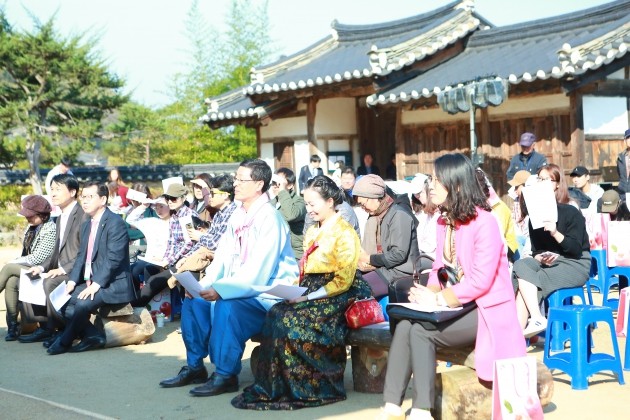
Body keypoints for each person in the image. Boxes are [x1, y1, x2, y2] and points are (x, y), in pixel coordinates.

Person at [378, 153, 526, 420]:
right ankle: (391, 405)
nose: (430, 186)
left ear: (456, 185)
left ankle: (422, 408)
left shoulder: (485, 223)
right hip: (457, 304)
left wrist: (437, 300)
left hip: (486, 309)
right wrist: (428, 293)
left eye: (436, 180)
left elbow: (480, 281)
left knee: (421, 331)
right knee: (405, 323)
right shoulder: (443, 221)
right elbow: (438, 270)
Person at [158, 159, 299, 397]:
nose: (235, 184)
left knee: (227, 305)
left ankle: (225, 374)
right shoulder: (237, 215)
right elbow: (222, 259)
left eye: (241, 180)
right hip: (238, 289)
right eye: (236, 179)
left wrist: (222, 290)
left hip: (267, 295)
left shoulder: (270, 218)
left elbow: (259, 272)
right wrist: (204, 286)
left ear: (259, 184)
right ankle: (195, 367)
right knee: (195, 300)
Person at [231, 175, 371, 410]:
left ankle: (311, 385)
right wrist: (296, 291)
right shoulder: (313, 230)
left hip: (338, 293)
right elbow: (305, 268)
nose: (309, 209)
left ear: (329, 201)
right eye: (306, 204)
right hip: (311, 288)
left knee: (291, 318)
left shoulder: (345, 232)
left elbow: (344, 280)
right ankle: (280, 383)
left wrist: (306, 297)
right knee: (276, 311)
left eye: (313, 204)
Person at [46, 182, 137, 355]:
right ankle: (92, 335)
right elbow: (81, 256)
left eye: (90, 197)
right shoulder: (87, 223)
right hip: (90, 281)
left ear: (103, 199)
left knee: (81, 304)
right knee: (60, 300)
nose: (85, 201)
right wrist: (72, 281)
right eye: (83, 197)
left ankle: (65, 341)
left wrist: (96, 284)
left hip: (112, 284)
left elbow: (114, 259)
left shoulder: (115, 223)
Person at [513, 175, 591, 338]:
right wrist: (540, 257)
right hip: (549, 263)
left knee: (525, 282)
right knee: (521, 265)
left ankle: (523, 332)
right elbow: (536, 251)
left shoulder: (570, 212)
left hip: (575, 263)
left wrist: (555, 233)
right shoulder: (532, 221)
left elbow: (576, 249)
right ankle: (534, 320)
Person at [19, 174, 87, 345]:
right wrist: (41, 267)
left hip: (78, 270)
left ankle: (64, 329)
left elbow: (84, 253)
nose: (53, 194)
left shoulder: (82, 215)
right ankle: (45, 327)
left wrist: (63, 269)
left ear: (72, 192)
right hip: (60, 268)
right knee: (30, 275)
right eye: (52, 189)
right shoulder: (59, 218)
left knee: (50, 282)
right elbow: (54, 252)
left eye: (58, 189)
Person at [352, 174, 419, 298]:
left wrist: (369, 259)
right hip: (388, 270)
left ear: (373, 196)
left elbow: (398, 255)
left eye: (363, 204)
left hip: (401, 273)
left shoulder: (398, 215)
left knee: (356, 291)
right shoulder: (381, 215)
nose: (363, 208)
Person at [130, 183, 197, 307]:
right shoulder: (174, 217)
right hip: (173, 261)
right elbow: (172, 243)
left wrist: (169, 261)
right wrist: (166, 260)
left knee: (154, 282)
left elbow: (189, 243)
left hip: (186, 261)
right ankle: (152, 310)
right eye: (168, 198)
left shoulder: (189, 216)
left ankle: (133, 304)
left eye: (173, 198)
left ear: (183, 198)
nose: (170, 202)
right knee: (149, 270)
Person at [0, 196, 56, 341]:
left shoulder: (50, 228)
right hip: (30, 267)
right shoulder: (32, 227)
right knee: (11, 281)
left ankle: (13, 326)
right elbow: (27, 253)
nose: (27, 218)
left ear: (42, 215)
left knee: (8, 268)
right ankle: (13, 326)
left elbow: (38, 258)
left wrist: (16, 261)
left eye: (30, 215)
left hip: (44, 269)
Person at [269, 168, 306, 259]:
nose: (275, 186)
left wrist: (282, 191)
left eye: (279, 184)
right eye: (273, 183)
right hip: (276, 253)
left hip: (294, 255)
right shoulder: (271, 203)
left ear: (289, 185)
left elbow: (291, 215)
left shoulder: (300, 202)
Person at [410, 173, 439, 258]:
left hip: (430, 257)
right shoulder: (421, 213)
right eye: (415, 194)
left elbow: (430, 245)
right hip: (421, 253)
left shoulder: (438, 214)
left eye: (420, 192)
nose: (417, 196)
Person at [616, 129, 630, 194]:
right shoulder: (620, 157)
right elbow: (620, 174)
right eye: (628, 138)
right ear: (625, 140)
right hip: (622, 192)